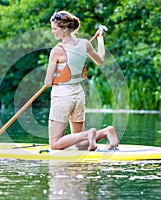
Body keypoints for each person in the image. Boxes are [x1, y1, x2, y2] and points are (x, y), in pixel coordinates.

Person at [44, 11, 119, 151]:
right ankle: (105, 132)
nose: (52, 32)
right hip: (78, 95)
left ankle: (89, 133)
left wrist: (54, 77)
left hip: (62, 97)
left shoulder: (57, 50)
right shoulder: (85, 44)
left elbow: (48, 82)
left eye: (55, 29)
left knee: (55, 144)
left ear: (65, 29)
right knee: (80, 143)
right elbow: (100, 61)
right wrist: (100, 39)